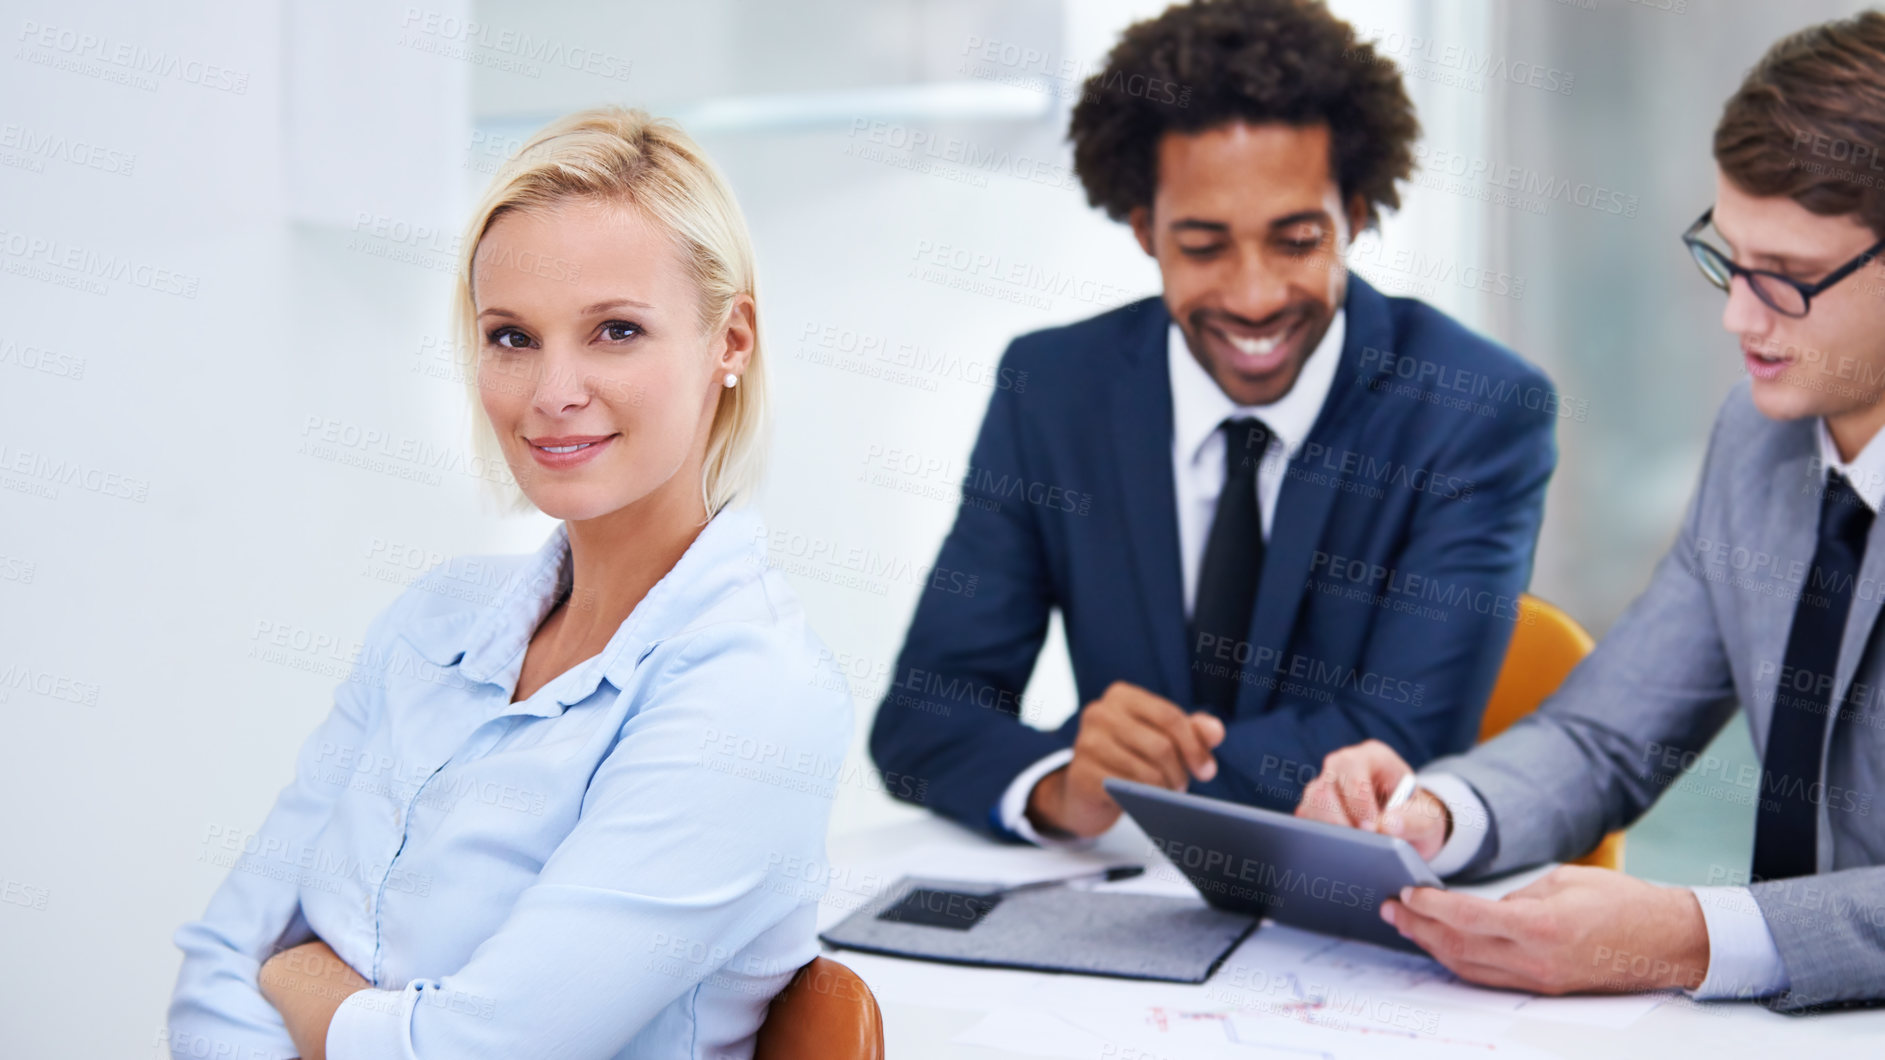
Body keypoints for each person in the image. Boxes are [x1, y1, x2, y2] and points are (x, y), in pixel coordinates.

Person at [165, 107, 852, 1058]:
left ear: (728, 340)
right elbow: (217, 967)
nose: (550, 391)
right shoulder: (433, 619)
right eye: (511, 337)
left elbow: (474, 1050)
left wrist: (295, 970)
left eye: (615, 330)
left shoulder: (753, 700)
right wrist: (297, 986)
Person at [1297, 11, 1885, 1013]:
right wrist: (1435, 813)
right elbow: (1608, 733)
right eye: (1727, 260)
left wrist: (1690, 936)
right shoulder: (1760, 441)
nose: (1737, 317)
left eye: (1785, 281)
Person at [869, 0, 1558, 844]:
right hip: (1115, 917)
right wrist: (1059, 785)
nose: (1254, 295)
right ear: (1142, 230)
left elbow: (1404, 737)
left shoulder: (1475, 412)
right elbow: (922, 722)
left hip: (1351, 913)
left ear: (1359, 214)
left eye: (1297, 240)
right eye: (1202, 247)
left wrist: (1132, 785)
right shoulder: (1053, 391)